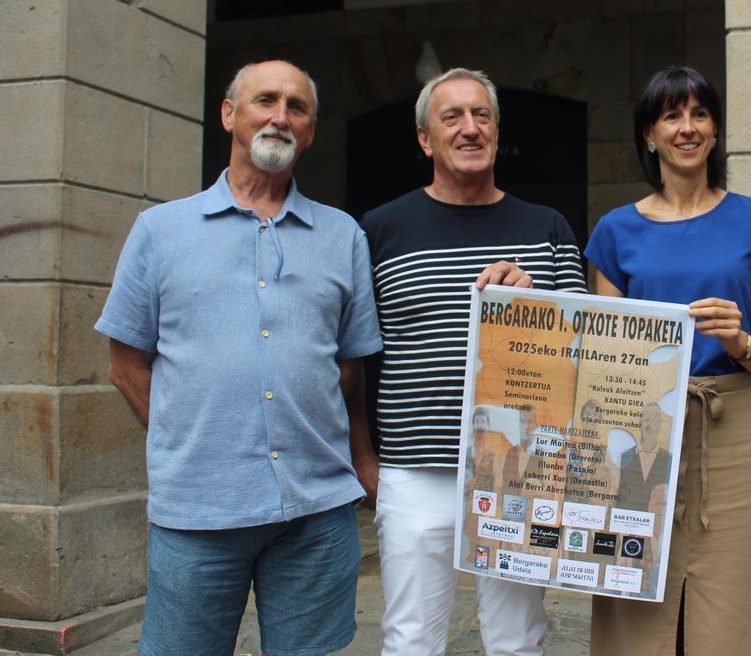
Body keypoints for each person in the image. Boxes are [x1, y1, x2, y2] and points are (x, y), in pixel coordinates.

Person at [95, 60, 382, 656]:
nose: (280, 115)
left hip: (317, 509)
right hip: (198, 511)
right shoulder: (159, 230)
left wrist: (360, 455)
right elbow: (125, 366)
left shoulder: (343, 236)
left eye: (296, 107)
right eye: (265, 100)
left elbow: (350, 367)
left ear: (310, 131)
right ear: (230, 114)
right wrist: (193, 438)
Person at [357, 67, 587, 656]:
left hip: (520, 469)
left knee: (516, 641)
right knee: (410, 640)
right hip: (414, 470)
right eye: (451, 116)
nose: (469, 128)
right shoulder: (380, 230)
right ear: (424, 138)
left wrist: (534, 300)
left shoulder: (547, 228)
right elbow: (353, 357)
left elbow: (586, 358)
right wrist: (365, 459)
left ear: (497, 130)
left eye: (481, 115)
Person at [584, 65, 751, 655]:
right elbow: (607, 357)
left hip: (734, 432)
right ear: (649, 134)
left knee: (738, 608)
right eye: (671, 115)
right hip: (641, 430)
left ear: (716, 129)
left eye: (699, 114)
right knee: (635, 604)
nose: (687, 127)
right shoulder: (616, 230)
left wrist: (740, 343)